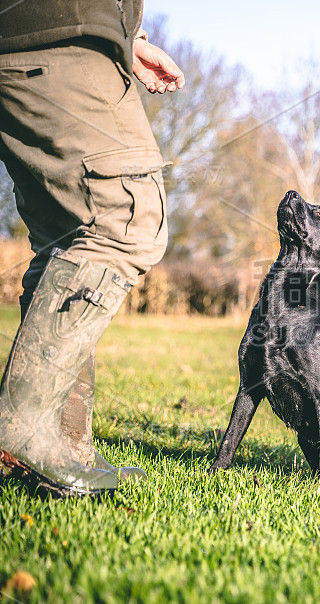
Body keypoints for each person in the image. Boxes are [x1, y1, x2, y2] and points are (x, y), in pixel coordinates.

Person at [0, 1, 184, 497]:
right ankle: (23, 431)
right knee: (125, 218)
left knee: (71, 235)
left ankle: (62, 442)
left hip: (51, 32)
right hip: (53, 34)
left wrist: (128, 38)